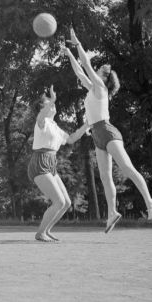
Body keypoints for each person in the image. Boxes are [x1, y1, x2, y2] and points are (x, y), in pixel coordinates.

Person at [62, 27, 152, 233]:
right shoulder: (92, 88)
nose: (96, 70)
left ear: (105, 78)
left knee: (127, 168)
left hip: (108, 131)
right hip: (97, 135)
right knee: (105, 178)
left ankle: (151, 202)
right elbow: (80, 71)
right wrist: (70, 53)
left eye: (100, 71)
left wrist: (77, 43)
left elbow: (86, 65)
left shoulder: (101, 88)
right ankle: (112, 212)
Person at [28, 85, 90, 242]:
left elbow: (71, 139)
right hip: (40, 162)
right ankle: (40, 233)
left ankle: (46, 230)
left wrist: (87, 125)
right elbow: (40, 117)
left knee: (67, 203)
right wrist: (53, 99)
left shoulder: (54, 126)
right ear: (43, 107)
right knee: (59, 201)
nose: (53, 104)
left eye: (52, 102)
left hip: (51, 163)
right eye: (48, 102)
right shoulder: (41, 122)